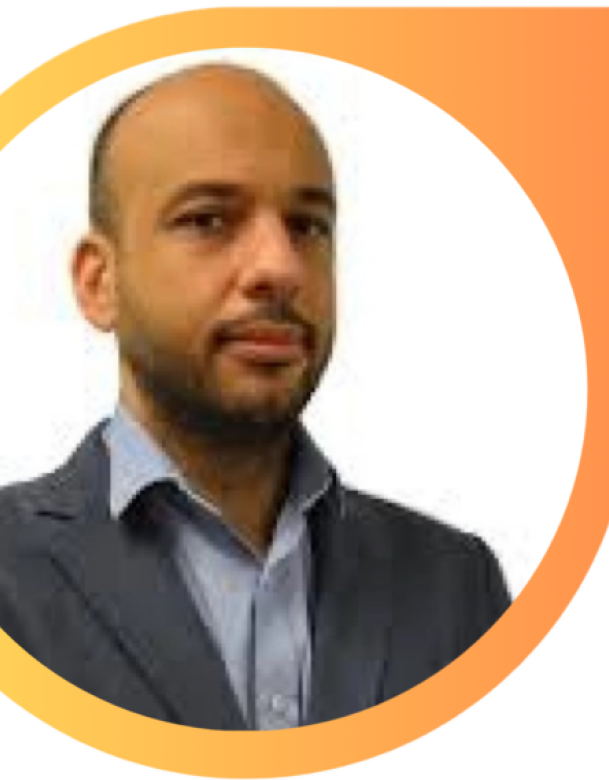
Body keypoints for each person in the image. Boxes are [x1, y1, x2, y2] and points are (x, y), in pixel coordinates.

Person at [0, 63, 510, 731]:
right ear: (101, 283)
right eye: (208, 219)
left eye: (307, 226)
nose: (281, 267)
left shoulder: (456, 585)